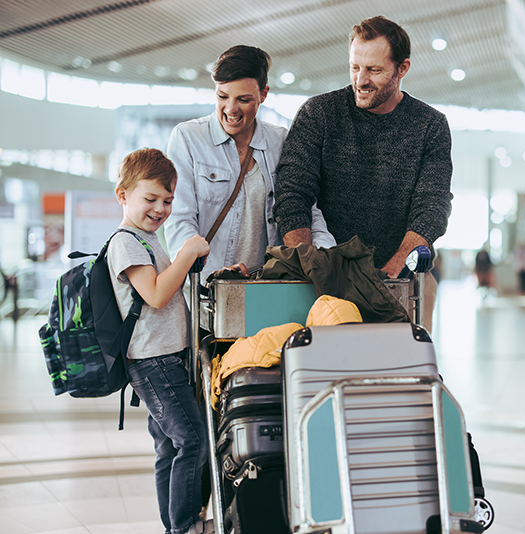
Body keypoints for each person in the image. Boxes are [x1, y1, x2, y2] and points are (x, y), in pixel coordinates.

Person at [274, 16, 453, 331]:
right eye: (355, 68)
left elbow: (432, 204)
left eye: (374, 70)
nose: (361, 80)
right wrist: (308, 266)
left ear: (403, 68)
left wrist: (395, 268)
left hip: (401, 280)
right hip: (324, 280)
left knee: (404, 372)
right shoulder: (319, 114)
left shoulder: (430, 126)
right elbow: (292, 194)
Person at [107, 148, 212, 534]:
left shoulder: (148, 239)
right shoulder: (126, 242)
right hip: (153, 362)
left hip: (166, 358)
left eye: (167, 200)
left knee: (169, 447)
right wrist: (186, 253)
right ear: (123, 194)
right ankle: (185, 525)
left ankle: (175, 524)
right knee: (193, 441)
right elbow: (155, 294)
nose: (160, 209)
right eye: (150, 199)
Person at [164, 45, 334, 282]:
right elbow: (180, 220)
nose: (230, 109)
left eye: (243, 99)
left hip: (269, 286)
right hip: (209, 290)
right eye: (222, 96)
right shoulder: (188, 138)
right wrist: (209, 277)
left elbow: (308, 210)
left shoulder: (282, 141)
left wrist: (325, 256)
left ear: (263, 94)